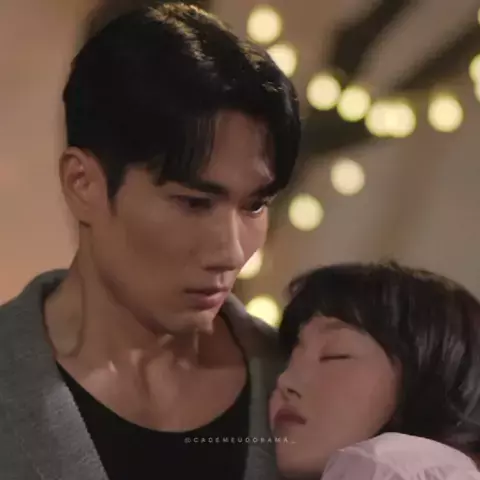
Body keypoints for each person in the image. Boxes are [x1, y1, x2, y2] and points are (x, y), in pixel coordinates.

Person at [0, 3, 300, 480]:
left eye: (254, 206)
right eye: (194, 203)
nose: (232, 253)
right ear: (83, 183)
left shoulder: (302, 386)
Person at [270, 261, 480, 479]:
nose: (285, 381)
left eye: (335, 355)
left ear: (427, 384)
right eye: (289, 362)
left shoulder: (388, 468)